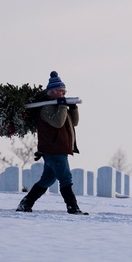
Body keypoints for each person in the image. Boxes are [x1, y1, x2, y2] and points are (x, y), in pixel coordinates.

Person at [17, 71, 87, 214]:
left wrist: (73, 109)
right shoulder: (46, 109)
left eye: (64, 91)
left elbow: (74, 123)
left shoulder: (59, 107)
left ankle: (26, 204)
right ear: (52, 92)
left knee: (47, 180)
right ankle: (72, 207)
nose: (63, 94)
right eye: (60, 91)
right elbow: (58, 123)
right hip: (54, 150)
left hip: (59, 149)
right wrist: (62, 106)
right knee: (65, 178)